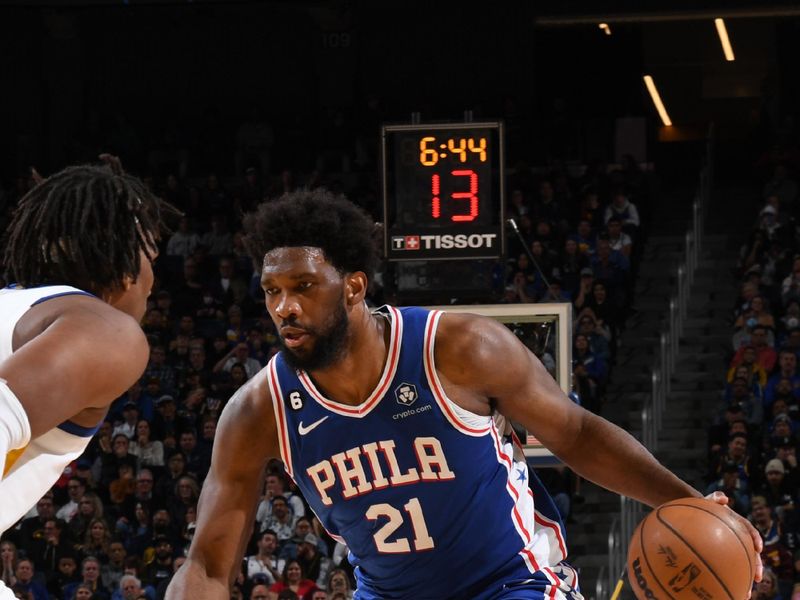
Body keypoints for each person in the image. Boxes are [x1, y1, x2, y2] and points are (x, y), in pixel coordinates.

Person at [166, 189, 763, 599]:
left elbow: (577, 434)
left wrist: (688, 503)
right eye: (271, 291)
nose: (284, 307)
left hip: (513, 582)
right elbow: (209, 564)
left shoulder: (459, 348)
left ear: (352, 287)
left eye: (302, 286)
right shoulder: (257, 410)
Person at [0, 156, 173, 579]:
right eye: (151, 256)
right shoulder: (106, 331)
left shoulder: (13, 304)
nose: (153, 279)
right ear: (124, 259)